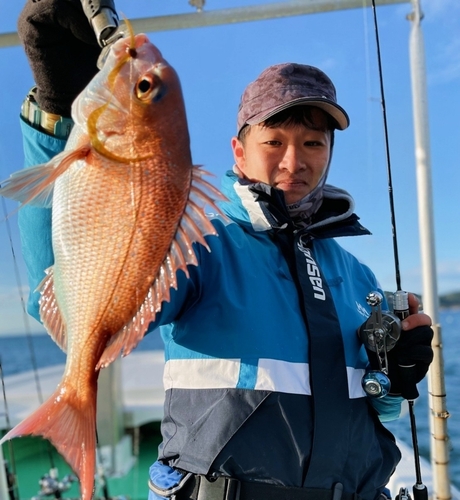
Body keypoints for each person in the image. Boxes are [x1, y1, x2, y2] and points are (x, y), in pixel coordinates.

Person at [14, 1, 434, 499]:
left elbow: (377, 408)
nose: (294, 160)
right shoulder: (202, 244)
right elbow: (72, 283)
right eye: (273, 141)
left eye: (314, 143)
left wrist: (398, 378)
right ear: (239, 151)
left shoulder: (358, 277)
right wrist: (56, 112)